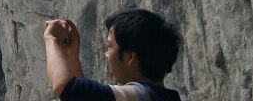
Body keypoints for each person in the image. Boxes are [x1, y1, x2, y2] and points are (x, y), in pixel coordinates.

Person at [43, 8, 183, 100]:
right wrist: (71, 55)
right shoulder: (164, 97)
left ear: (130, 57)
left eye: (110, 46)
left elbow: (68, 88)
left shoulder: (144, 95)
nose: (107, 55)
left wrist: (50, 39)